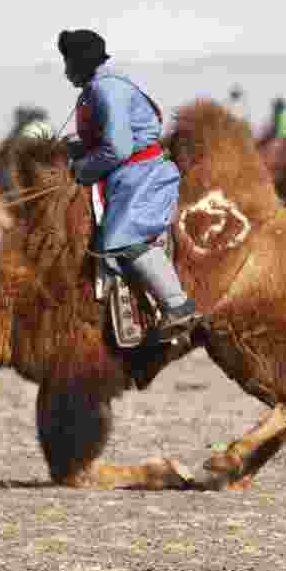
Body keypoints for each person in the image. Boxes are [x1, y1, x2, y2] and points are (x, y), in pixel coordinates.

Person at [58, 28, 202, 341]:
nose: (65, 70)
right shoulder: (97, 88)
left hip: (140, 175)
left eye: (67, 62)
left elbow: (119, 148)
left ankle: (177, 305)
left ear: (79, 62)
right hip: (124, 173)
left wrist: (81, 169)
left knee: (123, 236)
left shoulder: (107, 90)